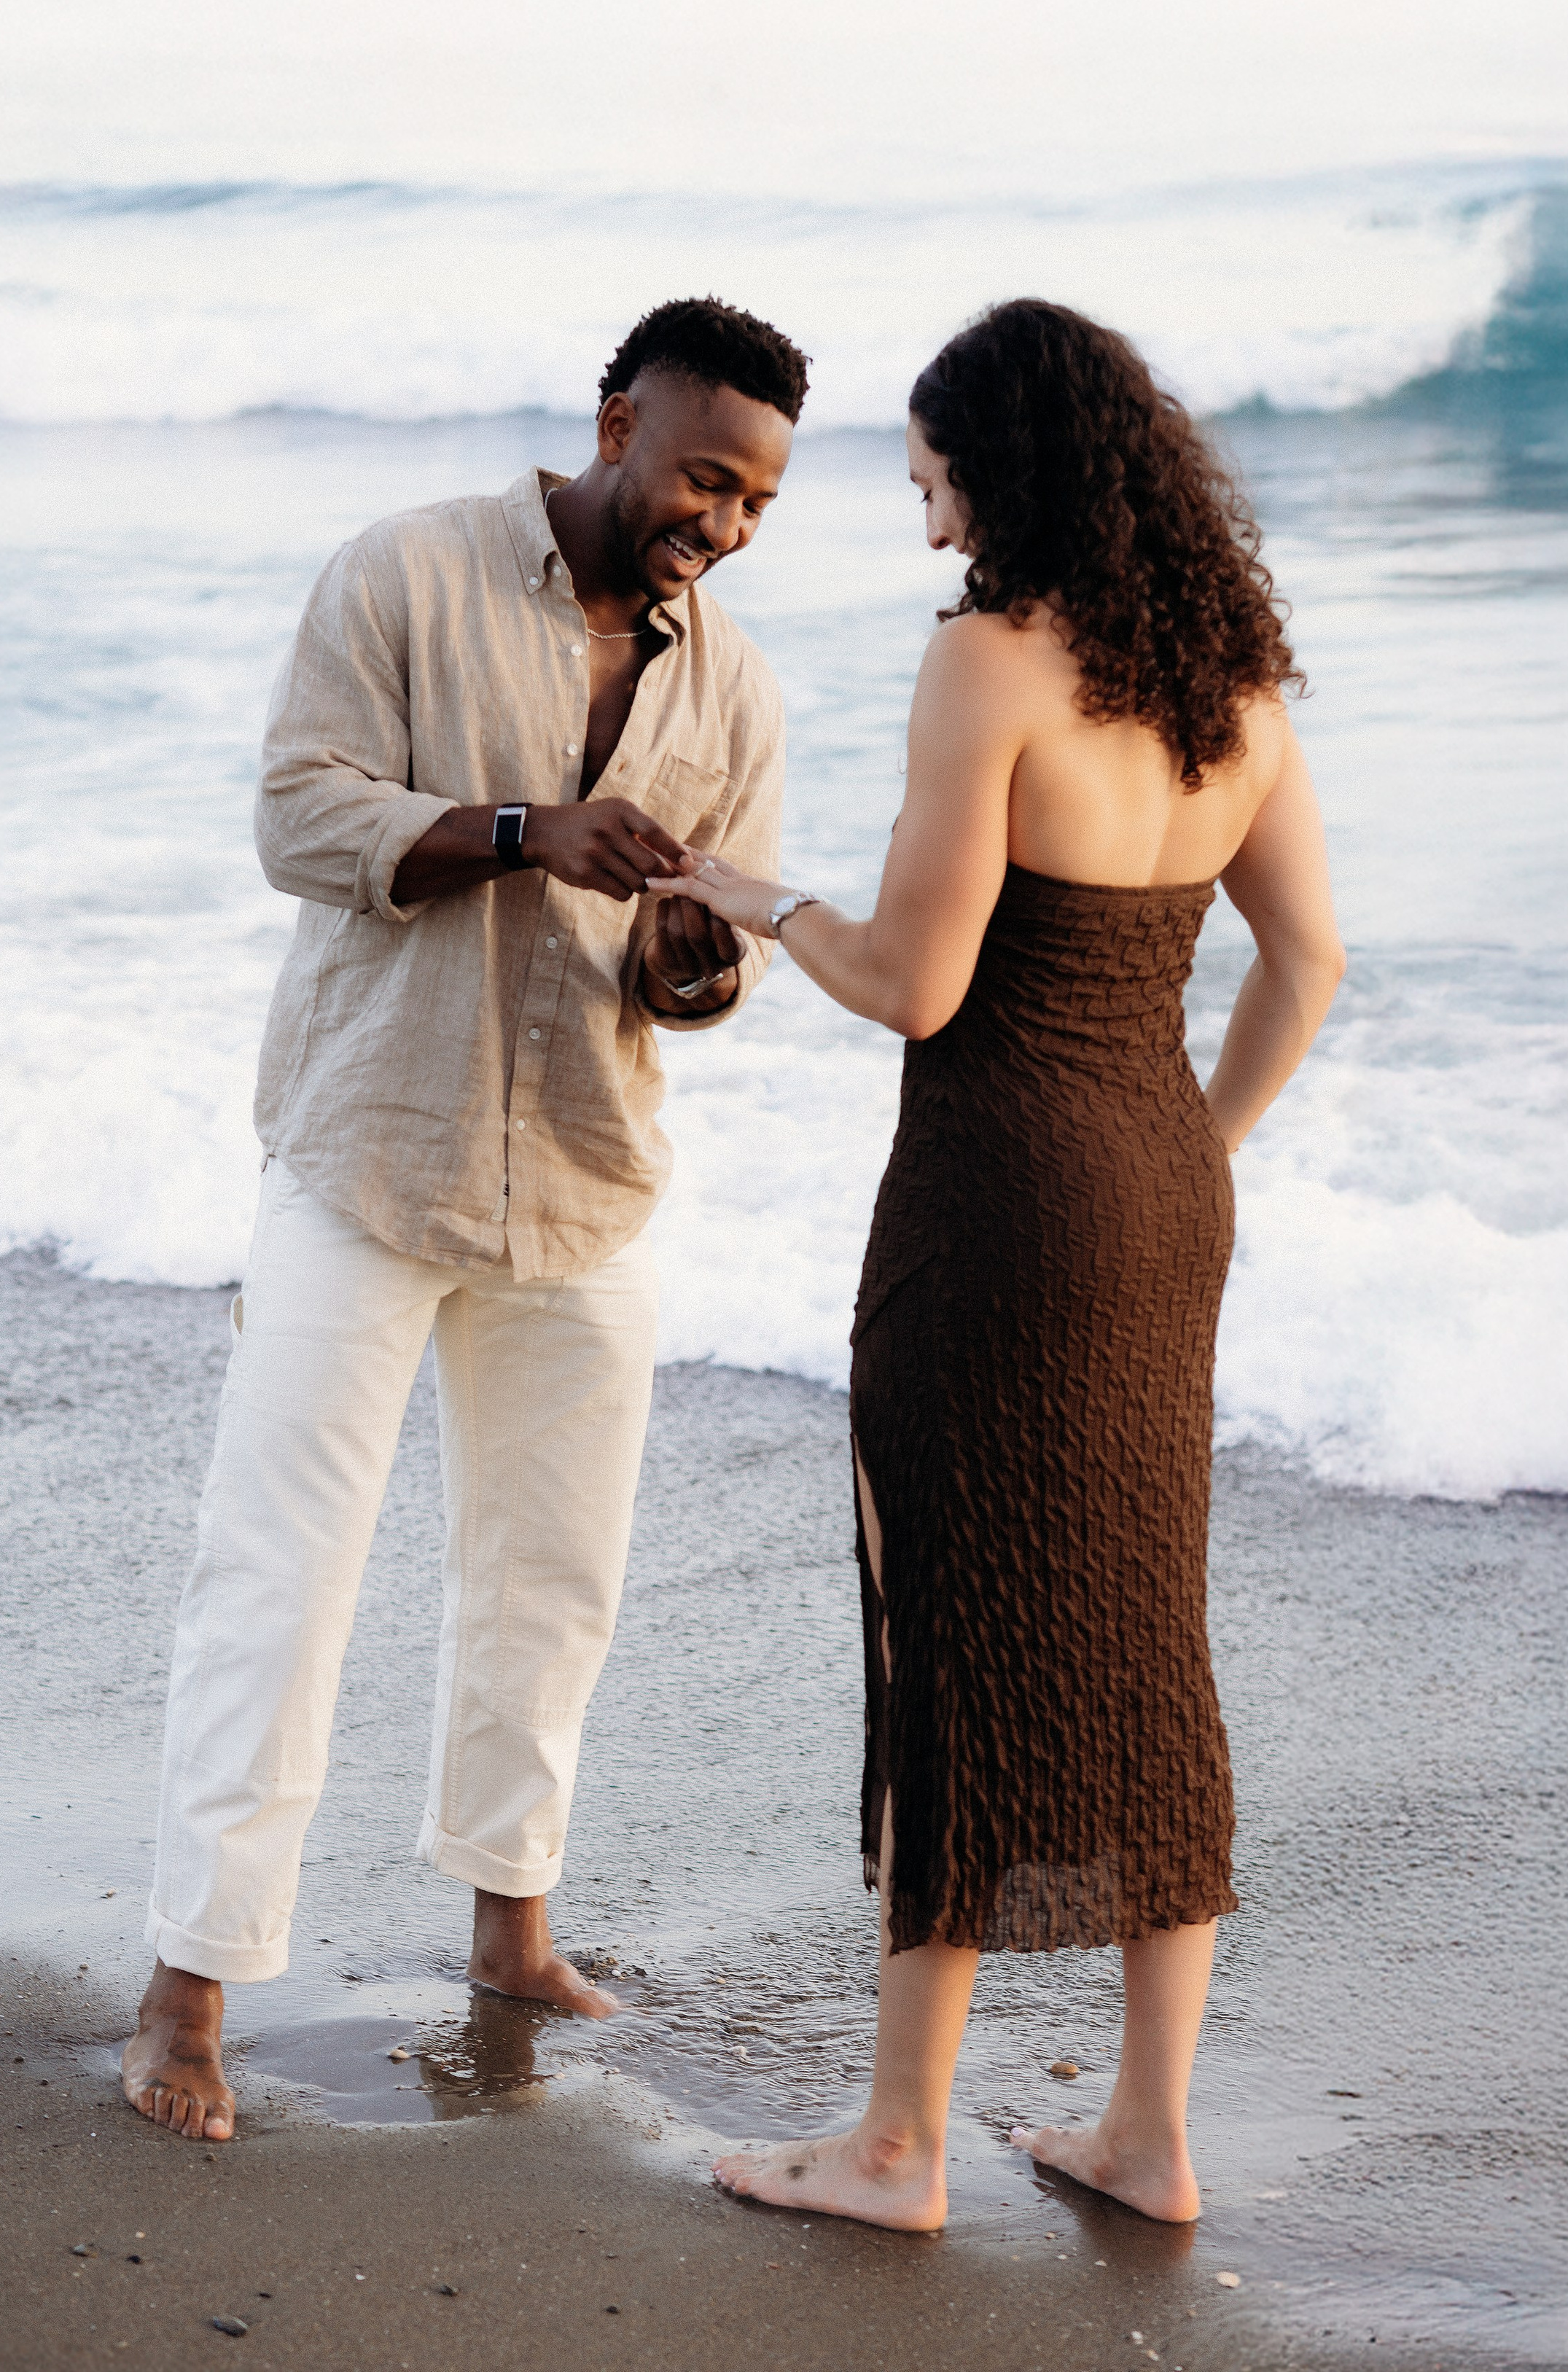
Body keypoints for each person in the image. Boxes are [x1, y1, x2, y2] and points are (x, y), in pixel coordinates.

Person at [651, 297, 1346, 2233]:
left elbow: (918, 985)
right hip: (1160, 1198)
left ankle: (896, 2143)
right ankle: (1148, 2133)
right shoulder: (1242, 681)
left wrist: (752, 891)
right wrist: (1182, 1152)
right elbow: (1309, 965)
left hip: (994, 1202)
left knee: (947, 1632)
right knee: (1146, 1644)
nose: (934, 531)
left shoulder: (987, 667)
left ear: (1003, 471)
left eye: (935, 485)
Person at [122, 296, 809, 2142]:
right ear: (614, 423)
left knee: (549, 1580)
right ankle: (188, 1988)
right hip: (368, 1149)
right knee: (277, 1577)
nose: (721, 523)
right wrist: (523, 833)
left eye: (755, 501)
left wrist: (686, 961)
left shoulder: (732, 687)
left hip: (588, 1180)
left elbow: (705, 971)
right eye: (700, 476)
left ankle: (512, 1927)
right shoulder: (405, 573)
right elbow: (296, 818)